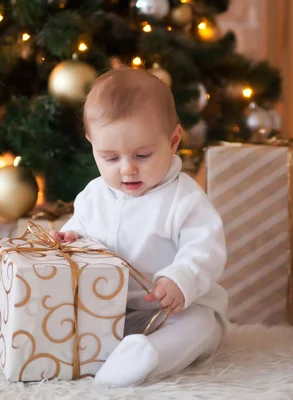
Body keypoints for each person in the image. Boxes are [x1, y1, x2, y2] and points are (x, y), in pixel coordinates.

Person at [50, 68, 228, 387]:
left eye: (142, 155)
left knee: (200, 327)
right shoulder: (93, 195)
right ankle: (111, 350)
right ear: (92, 144)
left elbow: (205, 248)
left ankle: (149, 356)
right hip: (113, 311)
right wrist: (70, 237)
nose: (128, 169)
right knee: (80, 324)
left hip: (175, 308)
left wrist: (180, 279)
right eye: (110, 158)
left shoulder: (184, 198)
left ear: (173, 140)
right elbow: (82, 228)